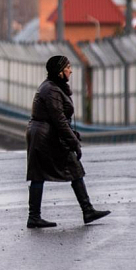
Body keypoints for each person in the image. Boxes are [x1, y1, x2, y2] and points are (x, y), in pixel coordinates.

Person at [26, 55, 110, 228]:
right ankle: (86, 210)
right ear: (59, 71)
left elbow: (60, 119)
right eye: (68, 67)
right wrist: (74, 143)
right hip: (45, 135)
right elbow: (59, 120)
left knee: (42, 173)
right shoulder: (52, 90)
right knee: (70, 167)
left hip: (43, 133)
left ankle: (35, 216)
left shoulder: (53, 87)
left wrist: (72, 137)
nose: (71, 70)